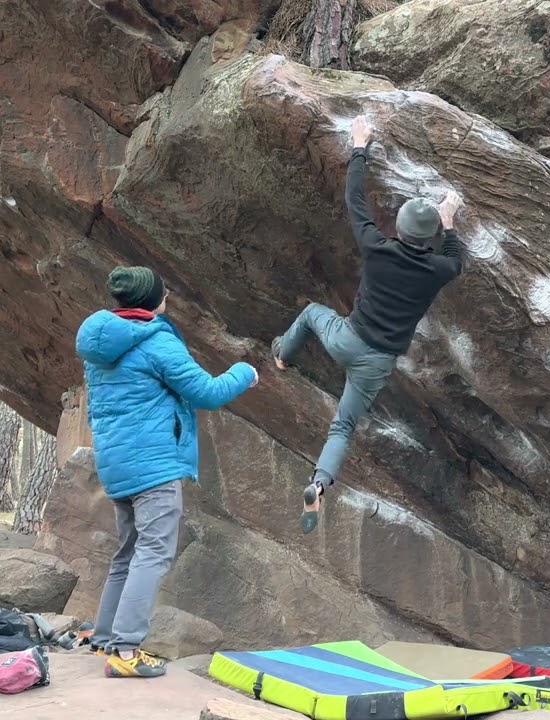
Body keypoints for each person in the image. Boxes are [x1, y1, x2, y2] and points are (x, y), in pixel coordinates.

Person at [271, 114, 465, 534]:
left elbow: (354, 199)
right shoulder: (438, 270)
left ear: (397, 229)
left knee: (309, 314)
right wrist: (449, 221)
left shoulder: (377, 247)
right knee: (342, 426)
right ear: (428, 238)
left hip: (346, 337)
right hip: (376, 361)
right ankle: (319, 482)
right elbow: (456, 259)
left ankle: (282, 356)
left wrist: (360, 145)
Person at [75, 265, 259, 678]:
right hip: (154, 466)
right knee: (154, 553)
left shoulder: (100, 344)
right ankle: (124, 651)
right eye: (164, 293)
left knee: (128, 553)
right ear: (152, 300)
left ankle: (104, 638)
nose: (168, 298)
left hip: (116, 465)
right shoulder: (156, 341)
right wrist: (245, 373)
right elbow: (207, 393)